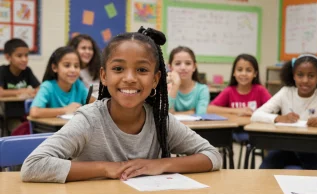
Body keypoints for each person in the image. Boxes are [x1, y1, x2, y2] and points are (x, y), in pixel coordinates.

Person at [21, 27, 221, 183]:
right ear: (104, 76)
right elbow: (33, 166)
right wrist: (107, 168)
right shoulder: (90, 119)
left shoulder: (159, 120)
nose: (130, 78)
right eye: (118, 68)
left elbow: (212, 155)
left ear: (155, 79)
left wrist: (160, 165)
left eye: (142, 70)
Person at [251, 54, 317, 169]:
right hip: (285, 147)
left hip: (314, 148)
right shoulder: (286, 92)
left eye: (311, 76)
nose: (305, 80)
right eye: (300, 75)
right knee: (266, 167)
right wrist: (279, 118)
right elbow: (256, 115)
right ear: (293, 75)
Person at [29, 46, 94, 118]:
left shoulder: (78, 85)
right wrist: (65, 110)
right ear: (54, 68)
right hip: (52, 129)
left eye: (76, 66)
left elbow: (94, 104)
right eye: (67, 65)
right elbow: (34, 112)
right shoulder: (47, 87)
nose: (73, 70)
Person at [167, 46, 210, 115]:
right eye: (178, 63)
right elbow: (166, 115)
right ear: (170, 67)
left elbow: (200, 115)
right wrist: (175, 85)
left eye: (188, 63)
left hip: (196, 126)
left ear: (194, 67)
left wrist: (176, 113)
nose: (183, 67)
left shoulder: (202, 89)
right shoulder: (166, 88)